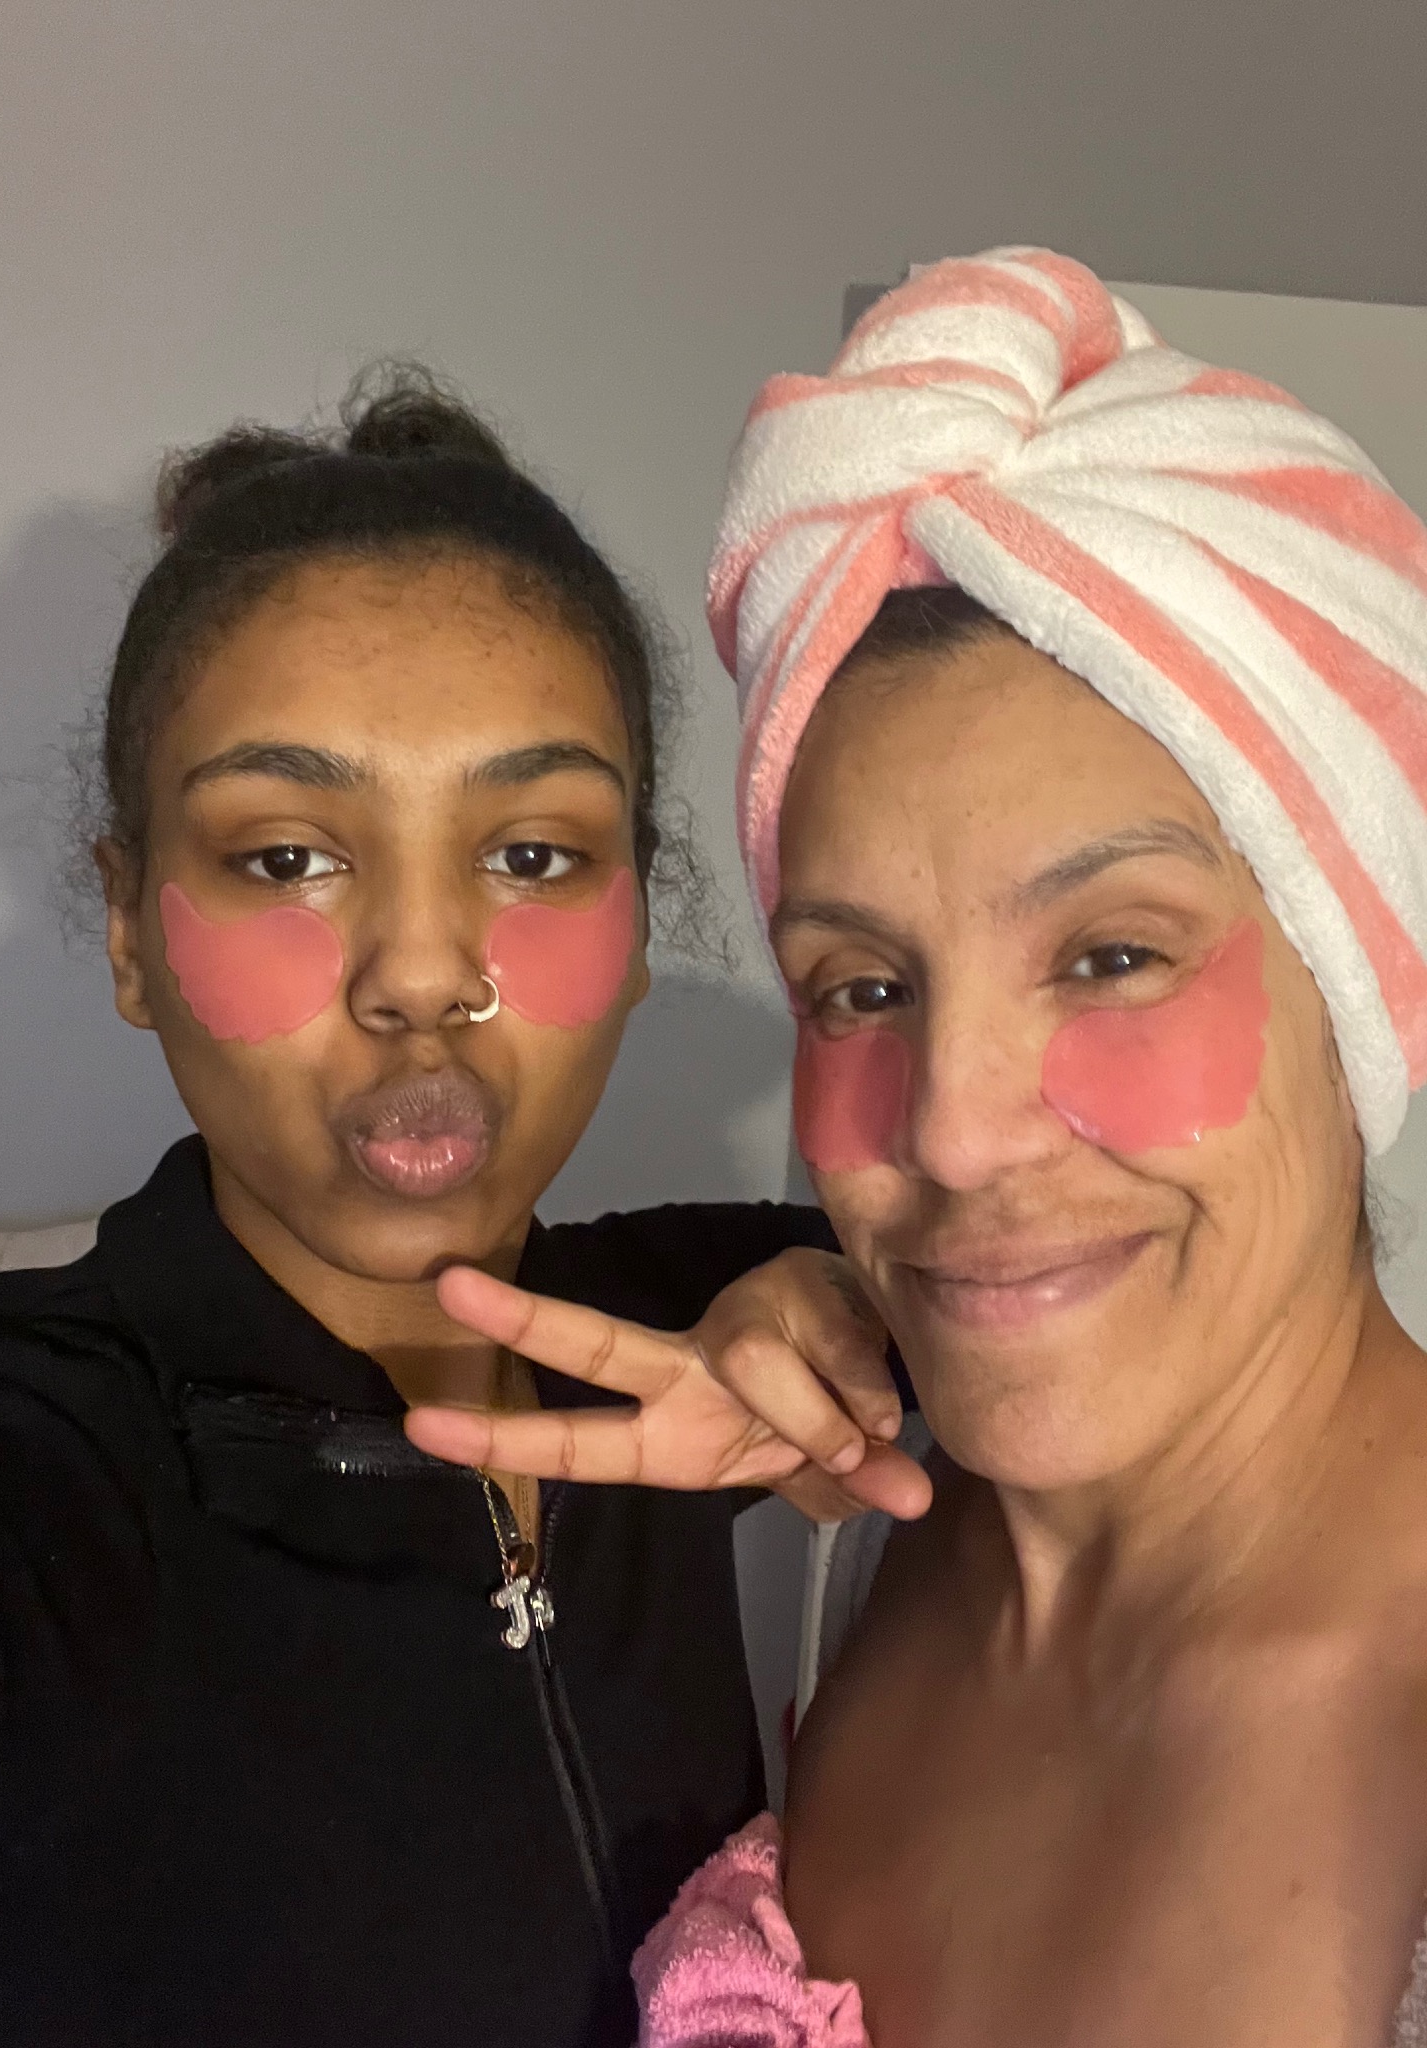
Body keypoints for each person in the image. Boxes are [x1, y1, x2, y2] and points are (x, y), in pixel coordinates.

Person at [428, 251, 1427, 2046]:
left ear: (1370, 983)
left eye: (1112, 958)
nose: (951, 1134)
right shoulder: (875, 1536)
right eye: (864, 987)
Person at [0, 367, 926, 2048]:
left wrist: (857, 1299)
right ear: (131, 931)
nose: (424, 973)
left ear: (640, 923)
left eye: (531, 856)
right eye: (286, 857)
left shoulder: (689, 1320)